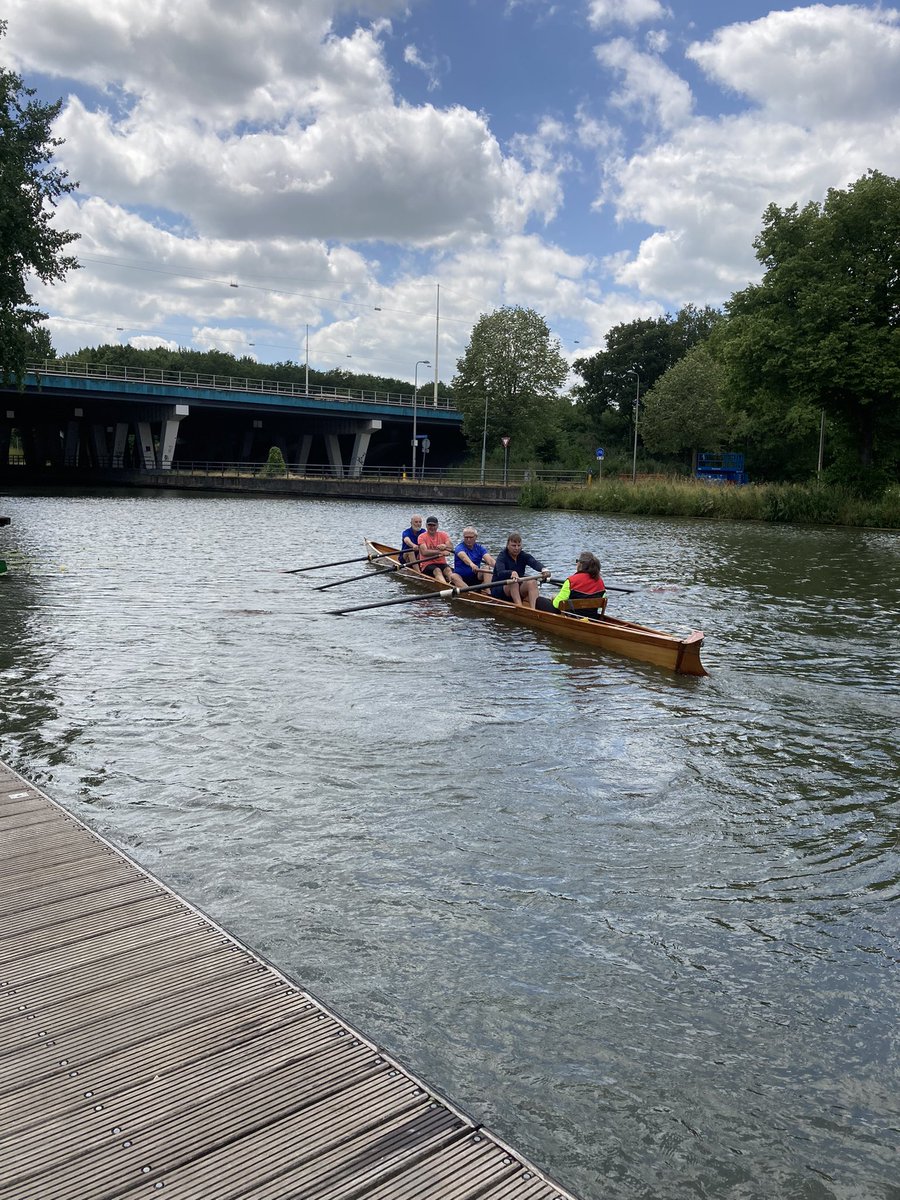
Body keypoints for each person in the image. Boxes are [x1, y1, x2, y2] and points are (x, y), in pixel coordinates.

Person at [539, 551, 608, 619]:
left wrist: (554, 598)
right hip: (592, 617)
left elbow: (556, 604)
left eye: (577, 561)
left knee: (539, 600)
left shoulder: (571, 581)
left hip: (573, 617)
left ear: (580, 564)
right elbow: (599, 604)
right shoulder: (600, 582)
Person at [491, 532, 550, 608]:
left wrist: (543, 569)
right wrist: (511, 572)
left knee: (532, 582)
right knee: (514, 582)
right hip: (499, 589)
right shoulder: (502, 556)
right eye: (514, 545)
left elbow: (533, 562)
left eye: (519, 546)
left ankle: (534, 610)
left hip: (517, 588)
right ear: (508, 545)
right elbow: (500, 572)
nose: (516, 548)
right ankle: (520, 608)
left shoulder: (523, 555)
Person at [416, 516, 454, 583]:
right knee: (437, 570)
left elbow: (451, 547)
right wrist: (440, 552)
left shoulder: (443, 535)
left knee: (448, 570)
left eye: (434, 525)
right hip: (427, 564)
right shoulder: (421, 537)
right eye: (429, 525)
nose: (432, 527)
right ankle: (445, 587)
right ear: (426, 526)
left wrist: (445, 546)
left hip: (441, 563)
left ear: (437, 526)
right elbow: (424, 552)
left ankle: (455, 586)